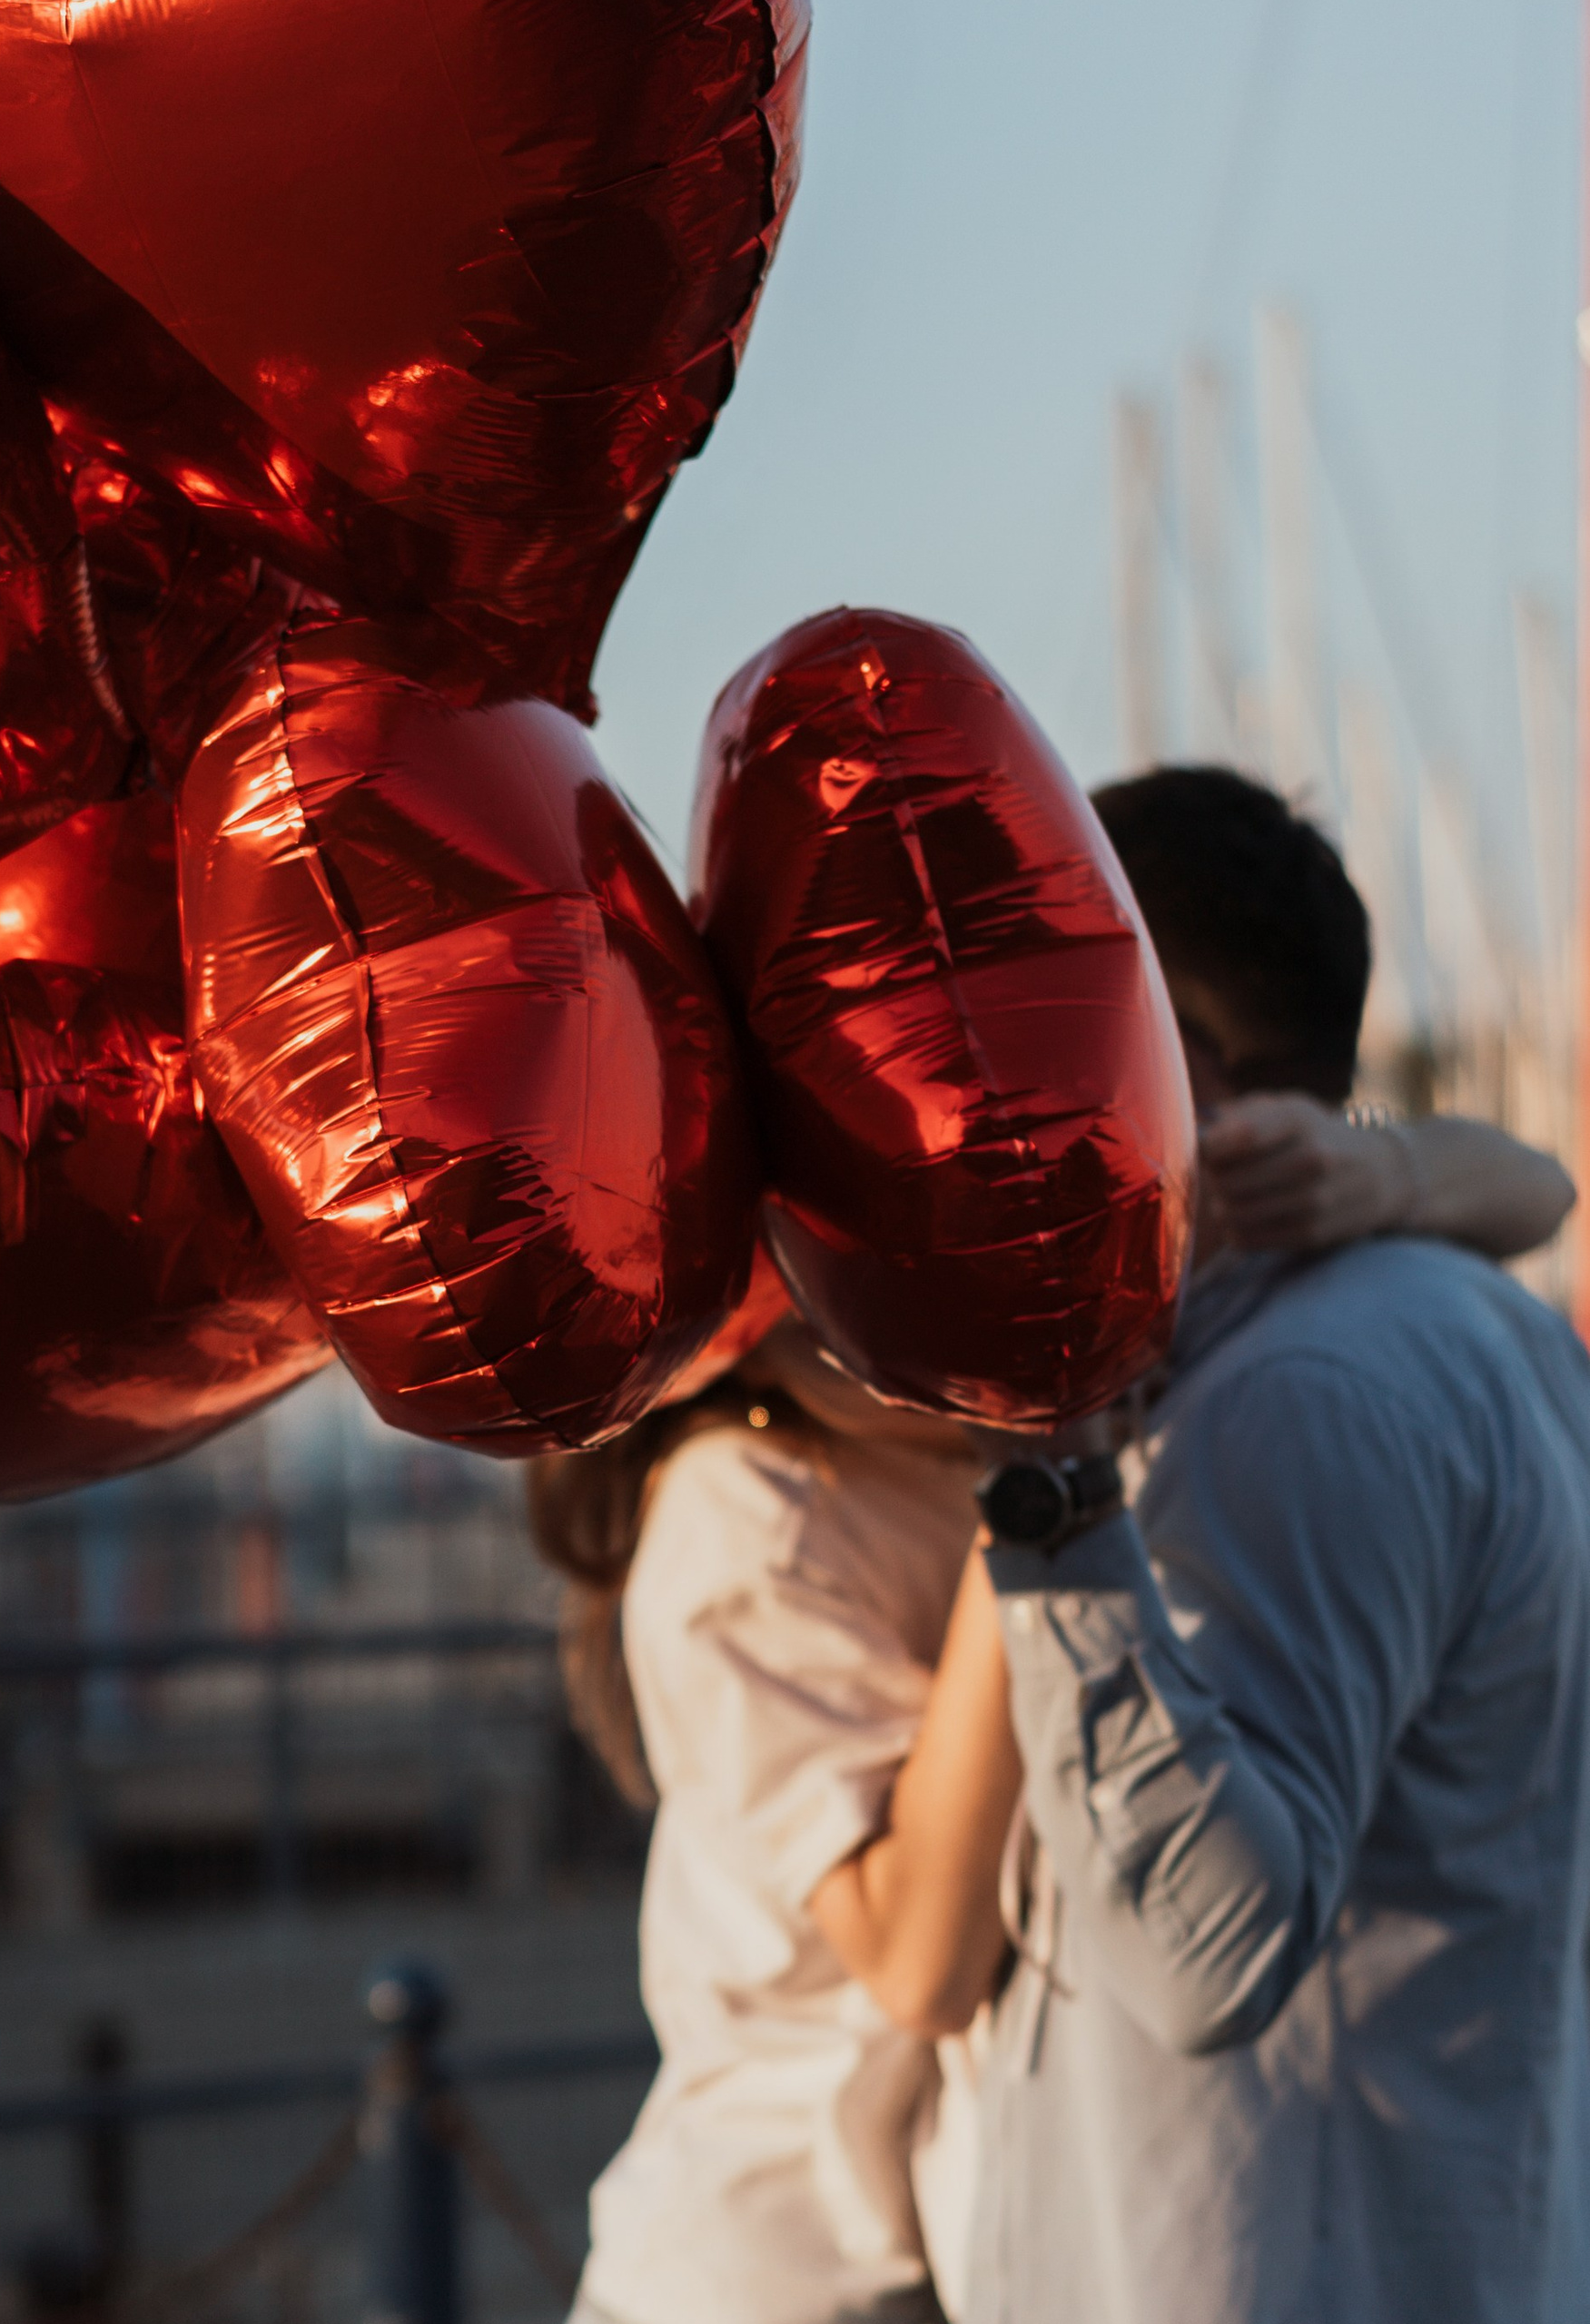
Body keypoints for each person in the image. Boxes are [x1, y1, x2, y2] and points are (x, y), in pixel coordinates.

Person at [534, 766, 1576, 2324]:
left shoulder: (977, 1408)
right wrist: (1039, 1458)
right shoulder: (746, 1514)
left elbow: (1539, 1184)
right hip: (781, 2268)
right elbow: (917, 1964)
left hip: (923, 2255)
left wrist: (1382, 1167)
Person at [963, 764, 1590, 2324]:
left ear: (1154, 1033)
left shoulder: (1301, 1390)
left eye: (1031, 1000)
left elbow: (1207, 1951)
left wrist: (1050, 1493)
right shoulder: (1437, 1315)